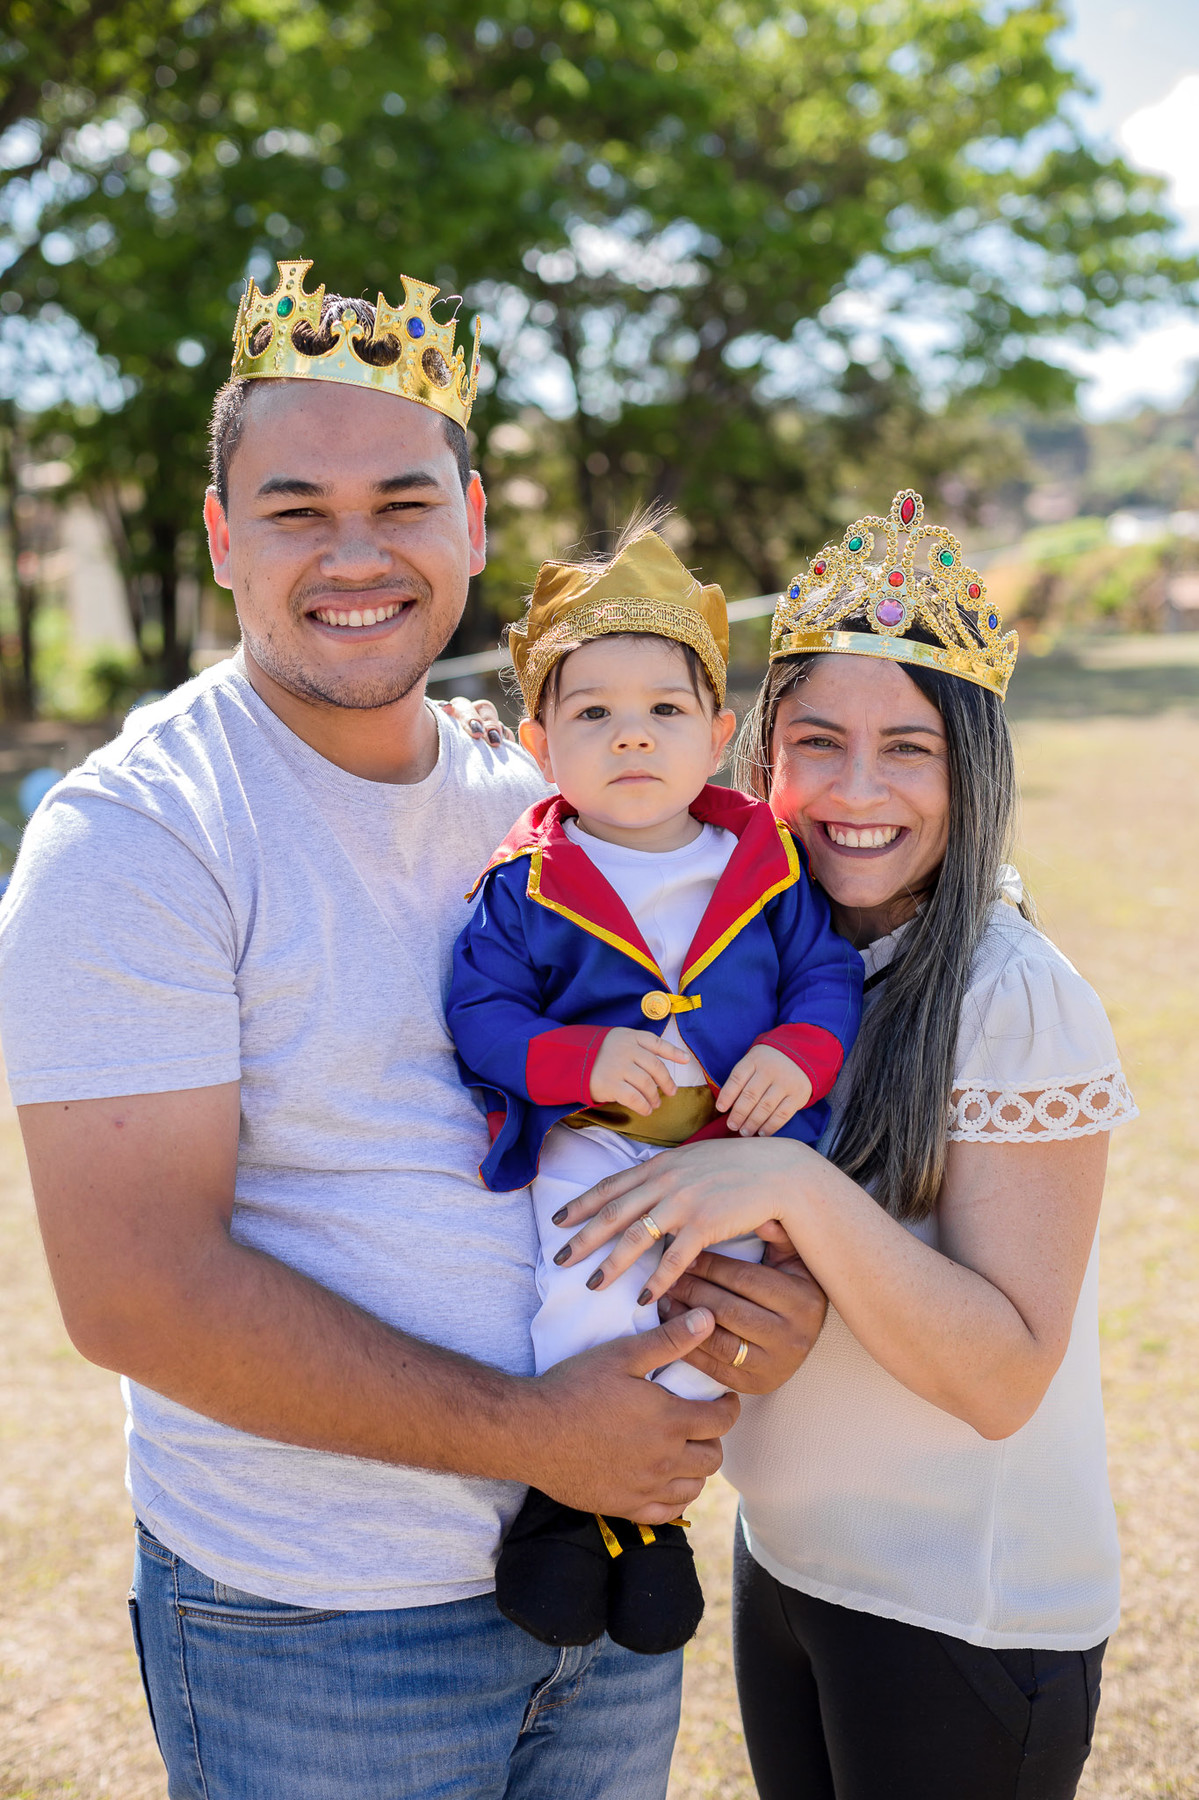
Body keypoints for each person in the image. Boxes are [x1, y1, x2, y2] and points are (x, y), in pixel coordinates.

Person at [0, 258, 827, 1800]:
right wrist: (532, 1432)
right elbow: (133, 1293)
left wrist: (765, 1304)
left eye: (401, 502)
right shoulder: (138, 835)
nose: (355, 554)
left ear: (474, 524)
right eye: (296, 509)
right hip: (314, 1624)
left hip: (608, 1591)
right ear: (220, 536)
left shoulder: (549, 795)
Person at [550, 488, 1138, 1800]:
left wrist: (788, 1184)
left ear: (969, 770)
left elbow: (1001, 1378)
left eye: (906, 749)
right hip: (787, 1565)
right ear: (759, 757)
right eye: (816, 742)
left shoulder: (1007, 993)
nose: (856, 792)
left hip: (958, 1614)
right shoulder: (762, 959)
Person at [447, 527, 862, 1655]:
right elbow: (480, 1012)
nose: (631, 734)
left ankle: (650, 1513)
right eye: (592, 714)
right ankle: (573, 1501)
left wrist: (798, 1052)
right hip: (595, 1133)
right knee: (590, 1272)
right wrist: (574, 1060)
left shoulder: (767, 861)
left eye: (664, 710)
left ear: (719, 736)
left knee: (710, 1300)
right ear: (539, 745)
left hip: (733, 1138)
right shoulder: (527, 880)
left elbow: (823, 976)